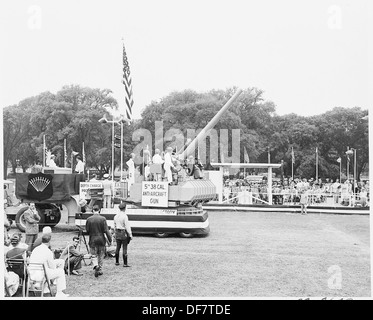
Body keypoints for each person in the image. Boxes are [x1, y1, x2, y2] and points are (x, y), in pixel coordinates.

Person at [85, 205, 112, 277]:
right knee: (101, 255)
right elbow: (106, 231)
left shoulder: (89, 219)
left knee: (93, 255)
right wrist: (110, 239)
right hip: (101, 239)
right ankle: (99, 269)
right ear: (99, 210)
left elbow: (87, 230)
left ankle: (95, 265)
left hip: (92, 239)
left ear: (93, 210)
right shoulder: (103, 219)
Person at [113, 203, 133, 267]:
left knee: (117, 247)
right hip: (123, 232)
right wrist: (130, 234)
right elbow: (127, 226)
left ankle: (117, 261)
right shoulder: (125, 216)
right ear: (125, 208)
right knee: (124, 248)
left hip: (117, 232)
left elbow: (114, 225)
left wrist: (114, 233)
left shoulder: (116, 216)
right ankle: (125, 263)